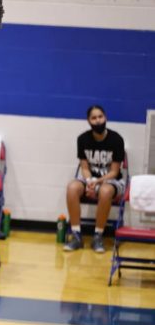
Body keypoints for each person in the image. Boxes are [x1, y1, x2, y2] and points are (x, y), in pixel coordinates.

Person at [63, 105, 126, 253]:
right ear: (88, 121)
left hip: (112, 180)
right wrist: (90, 182)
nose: (98, 121)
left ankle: (98, 236)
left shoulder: (116, 139)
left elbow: (115, 171)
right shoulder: (82, 139)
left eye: (100, 117)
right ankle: (76, 235)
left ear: (105, 118)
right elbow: (84, 168)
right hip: (90, 179)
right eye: (94, 118)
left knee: (104, 191)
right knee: (72, 188)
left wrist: (97, 182)